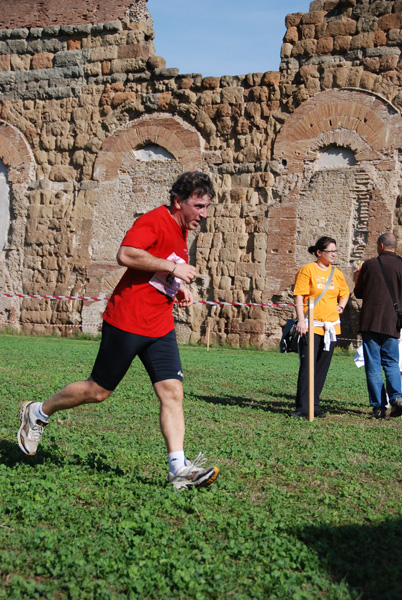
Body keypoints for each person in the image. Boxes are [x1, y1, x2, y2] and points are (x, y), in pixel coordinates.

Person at [17, 172, 219, 489]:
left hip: (160, 325)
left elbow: (159, 270)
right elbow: (125, 254)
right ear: (179, 202)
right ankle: (38, 412)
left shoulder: (182, 234)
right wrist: (173, 268)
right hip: (128, 320)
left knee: (172, 392)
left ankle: (178, 469)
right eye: (198, 206)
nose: (203, 214)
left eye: (206, 207)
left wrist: (176, 286)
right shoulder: (155, 220)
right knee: (99, 390)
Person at [290, 236, 350, 419]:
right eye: (330, 251)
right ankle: (302, 406)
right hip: (311, 325)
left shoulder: (337, 273)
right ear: (319, 253)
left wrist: (341, 306)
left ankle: (314, 404)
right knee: (308, 366)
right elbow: (299, 296)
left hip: (330, 327)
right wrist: (301, 320)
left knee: (322, 367)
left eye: (335, 251)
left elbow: (345, 293)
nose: (334, 254)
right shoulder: (307, 271)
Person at [354, 232, 402, 419]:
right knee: (391, 362)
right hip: (392, 322)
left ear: (381, 245)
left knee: (373, 364)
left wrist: (357, 276)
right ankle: (397, 398)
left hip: (371, 321)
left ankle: (378, 407)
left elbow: (358, 293)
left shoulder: (370, 265)